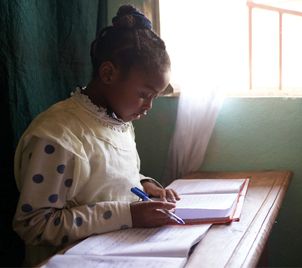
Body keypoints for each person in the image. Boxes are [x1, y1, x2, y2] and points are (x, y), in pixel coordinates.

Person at [13, 5, 180, 266]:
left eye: (155, 97)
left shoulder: (118, 122)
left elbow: (108, 180)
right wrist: (129, 215)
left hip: (119, 255)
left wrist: (144, 184)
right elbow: (35, 225)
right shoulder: (56, 138)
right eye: (144, 94)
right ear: (108, 73)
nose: (148, 106)